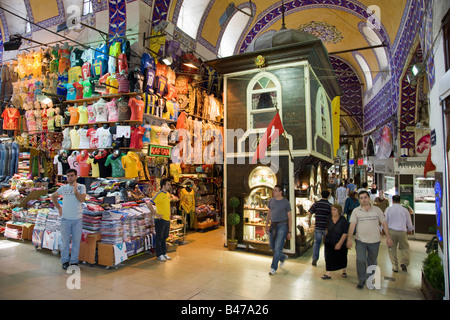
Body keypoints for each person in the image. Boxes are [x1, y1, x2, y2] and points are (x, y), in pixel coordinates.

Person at [346, 191, 393, 289]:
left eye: (365, 197)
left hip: (375, 241)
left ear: (369, 198)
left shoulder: (377, 210)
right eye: (361, 198)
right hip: (360, 241)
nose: (364, 200)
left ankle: (370, 279)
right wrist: (349, 239)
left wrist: (388, 237)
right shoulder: (356, 211)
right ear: (359, 200)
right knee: (361, 260)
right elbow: (352, 225)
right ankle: (362, 280)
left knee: (372, 261)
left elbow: (384, 224)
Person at [51, 169, 86, 270]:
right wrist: (59, 208)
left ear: (76, 176)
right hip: (65, 218)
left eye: (71, 175)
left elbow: (82, 199)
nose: (69, 178)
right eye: (68, 176)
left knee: (76, 241)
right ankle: (65, 261)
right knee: (65, 241)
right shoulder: (63, 188)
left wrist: (75, 192)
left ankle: (74, 261)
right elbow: (53, 196)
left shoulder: (81, 187)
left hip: (77, 219)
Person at [266, 185, 292, 275]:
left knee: (277, 248)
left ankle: (273, 268)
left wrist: (289, 231)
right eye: (273, 190)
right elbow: (269, 213)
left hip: (282, 226)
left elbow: (290, 217)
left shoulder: (286, 202)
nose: (274, 192)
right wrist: (266, 225)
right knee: (272, 246)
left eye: (276, 191)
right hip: (273, 225)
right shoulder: (271, 201)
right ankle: (283, 257)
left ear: (281, 192)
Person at [385, 195, 414, 272]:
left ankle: (395, 266)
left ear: (392, 200)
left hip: (391, 231)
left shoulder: (388, 209)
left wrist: (382, 229)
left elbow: (385, 220)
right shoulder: (404, 210)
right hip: (402, 231)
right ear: (400, 201)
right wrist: (410, 229)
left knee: (391, 248)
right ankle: (404, 263)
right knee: (405, 248)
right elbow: (409, 221)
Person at [146, 178, 173, 262]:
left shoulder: (168, 194)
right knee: (159, 237)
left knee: (164, 237)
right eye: (168, 184)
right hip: (160, 219)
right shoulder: (158, 194)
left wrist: (169, 214)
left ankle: (164, 253)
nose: (169, 186)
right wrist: (156, 214)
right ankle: (159, 254)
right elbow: (149, 204)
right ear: (163, 185)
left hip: (167, 219)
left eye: (169, 184)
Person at [322, 204, 349, 280]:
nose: (332, 211)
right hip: (329, 240)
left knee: (342, 256)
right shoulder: (329, 218)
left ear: (338, 211)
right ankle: (328, 273)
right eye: (332, 209)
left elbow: (345, 233)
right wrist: (325, 238)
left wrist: (340, 243)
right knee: (328, 256)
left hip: (340, 241)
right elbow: (327, 228)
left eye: (334, 210)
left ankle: (344, 270)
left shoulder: (343, 220)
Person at [309, 190, 332, 266]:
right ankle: (327, 259)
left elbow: (310, 212)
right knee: (326, 244)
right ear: (328, 196)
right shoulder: (330, 206)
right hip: (326, 228)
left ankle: (315, 259)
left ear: (321, 195)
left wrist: (309, 221)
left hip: (318, 227)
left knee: (316, 243)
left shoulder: (317, 204)